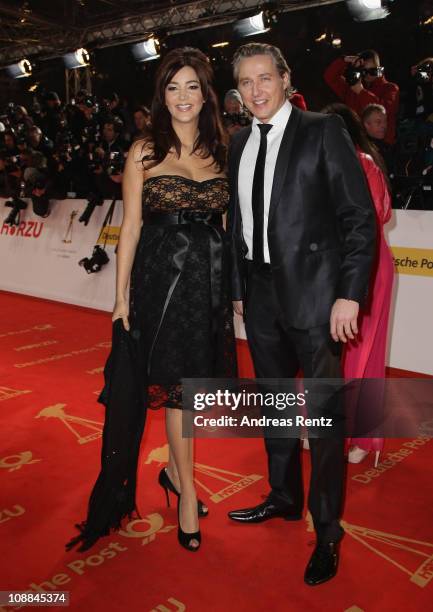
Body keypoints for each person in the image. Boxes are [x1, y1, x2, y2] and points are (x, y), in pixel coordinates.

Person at [66, 47, 237, 554]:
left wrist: (234, 293)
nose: (183, 97)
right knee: (176, 390)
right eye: (172, 87)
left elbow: (225, 227)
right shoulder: (143, 150)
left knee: (189, 390)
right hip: (160, 285)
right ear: (162, 95)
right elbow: (132, 229)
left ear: (206, 94)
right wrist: (120, 299)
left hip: (206, 289)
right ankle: (186, 493)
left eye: (192, 87)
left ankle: (173, 473)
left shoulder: (220, 150)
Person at [227, 43, 376, 586]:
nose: (257, 90)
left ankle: (328, 530)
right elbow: (238, 223)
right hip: (260, 296)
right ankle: (285, 497)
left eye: (265, 78)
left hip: (317, 298)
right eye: (246, 82)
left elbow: (359, 220)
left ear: (285, 78)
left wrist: (349, 294)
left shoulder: (320, 131)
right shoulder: (239, 140)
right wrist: (240, 288)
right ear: (238, 92)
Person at [322, 103, 394, 467]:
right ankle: (358, 435)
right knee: (346, 351)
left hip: (364, 265)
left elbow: (375, 216)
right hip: (347, 265)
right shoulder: (355, 160)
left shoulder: (360, 161)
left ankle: (351, 435)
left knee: (357, 352)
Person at [324, 49, 399, 144]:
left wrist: (361, 92)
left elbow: (383, 110)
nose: (368, 75)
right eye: (364, 71)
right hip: (358, 143)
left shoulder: (390, 88)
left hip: (382, 145)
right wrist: (346, 60)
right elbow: (329, 76)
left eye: (373, 71)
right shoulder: (351, 89)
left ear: (379, 70)